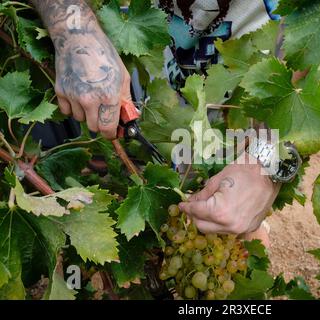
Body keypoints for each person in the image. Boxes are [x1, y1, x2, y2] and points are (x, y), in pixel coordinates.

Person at [31, 0, 296, 243]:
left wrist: (266, 162)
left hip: (247, 76)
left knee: (231, 211)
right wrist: (74, 29)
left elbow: (312, 40)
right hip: (131, 50)